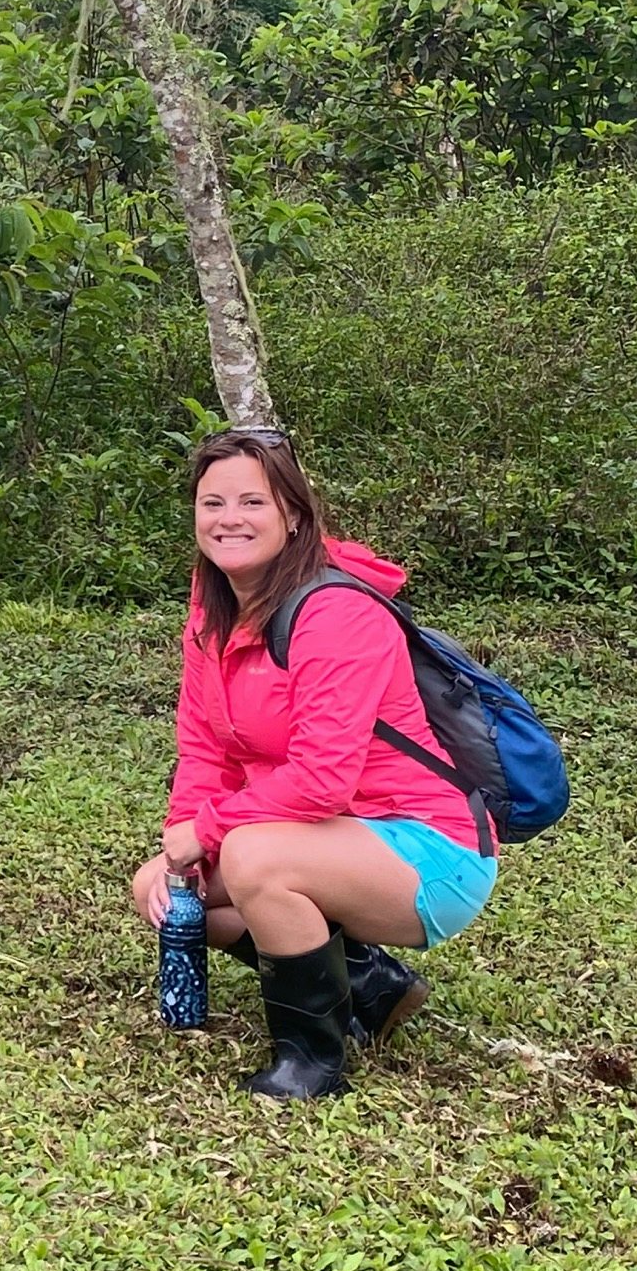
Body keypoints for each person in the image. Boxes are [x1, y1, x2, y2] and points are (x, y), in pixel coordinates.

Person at [130, 428, 499, 1100]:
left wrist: (210, 831)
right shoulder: (213, 602)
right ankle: (369, 986)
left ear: (293, 514)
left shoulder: (335, 612)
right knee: (160, 889)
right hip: (327, 835)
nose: (230, 520)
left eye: (252, 502)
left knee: (250, 858)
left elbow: (322, 778)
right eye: (212, 503)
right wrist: (184, 835)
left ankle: (311, 1062)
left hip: (427, 847)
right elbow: (203, 743)